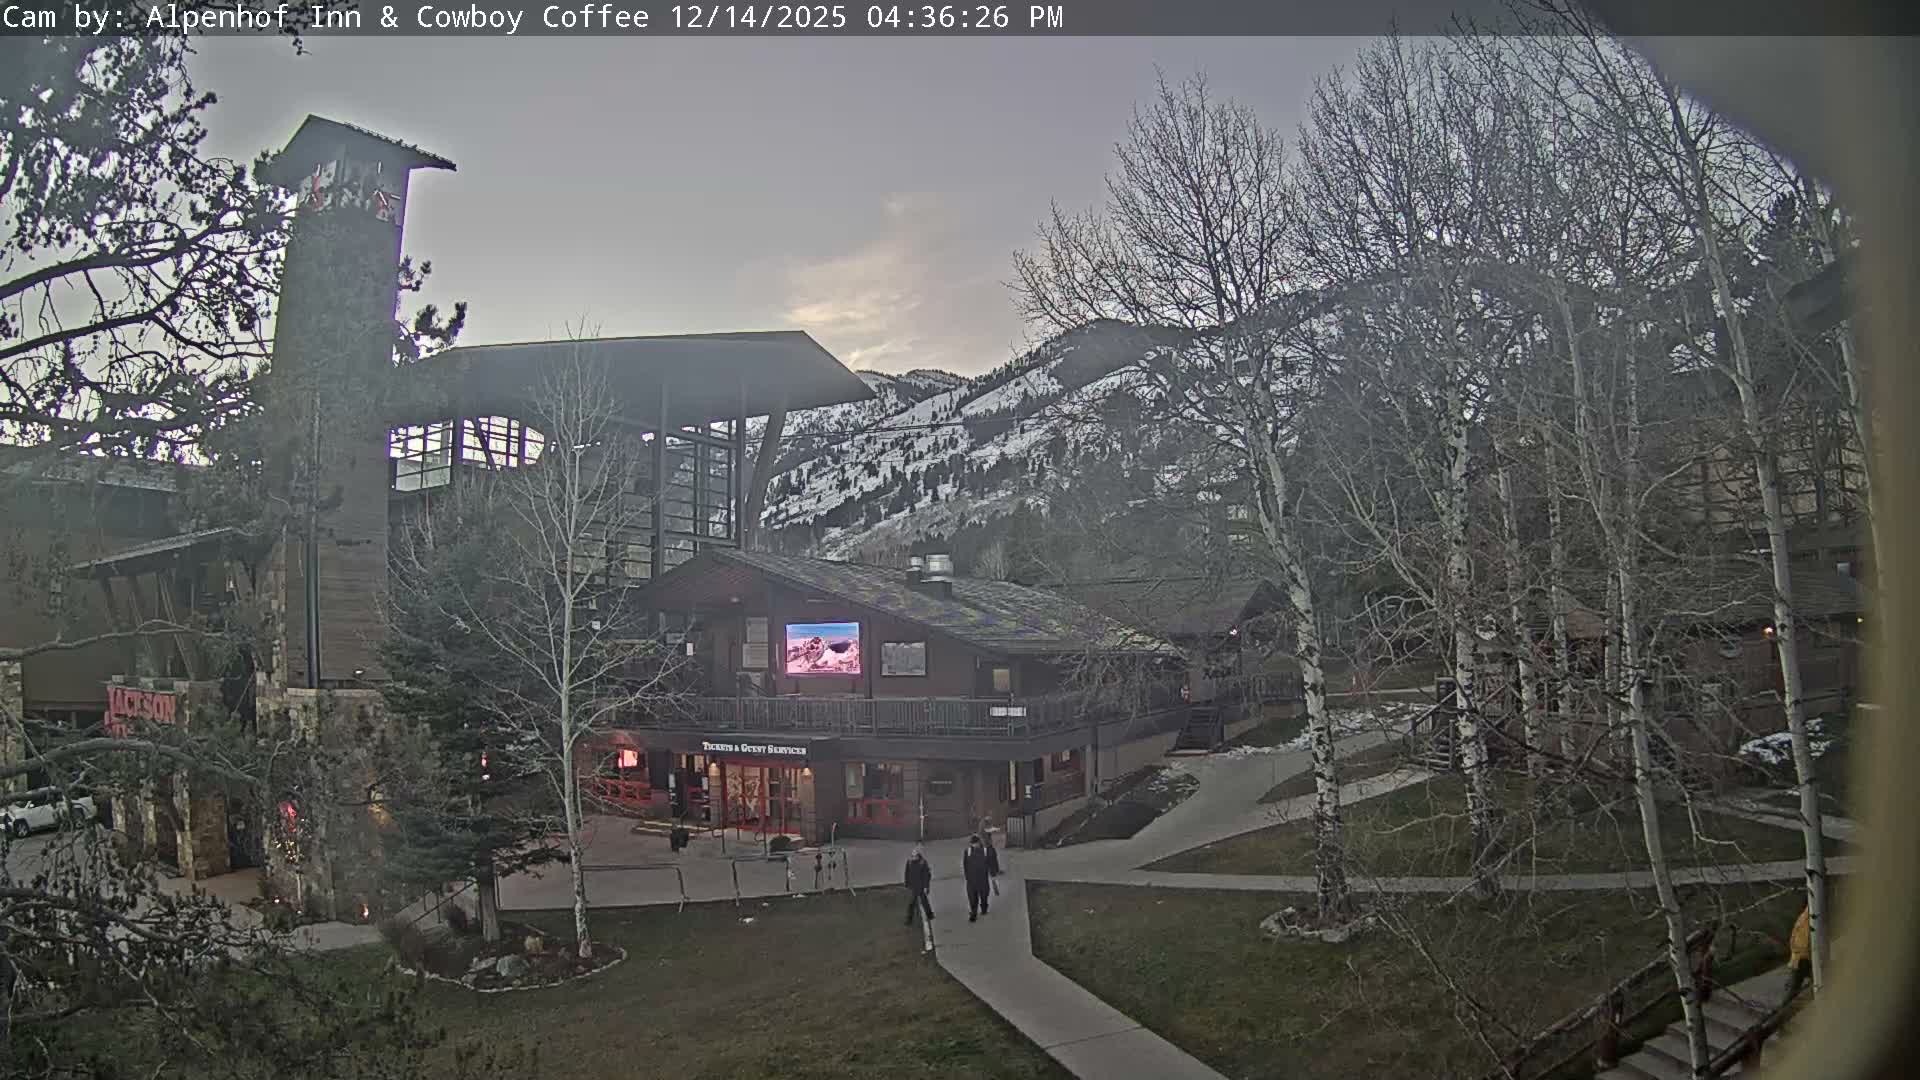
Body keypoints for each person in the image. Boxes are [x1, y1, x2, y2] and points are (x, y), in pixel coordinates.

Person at [963, 834, 992, 921]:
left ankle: (984, 908)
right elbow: (965, 864)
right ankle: (973, 913)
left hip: (982, 878)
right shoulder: (967, 851)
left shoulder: (985, 850)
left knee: (984, 896)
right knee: (972, 897)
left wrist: (992, 874)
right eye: (972, 844)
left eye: (975, 843)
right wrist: (967, 876)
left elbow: (990, 863)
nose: (974, 845)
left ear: (979, 843)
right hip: (971, 880)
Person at [903, 845, 934, 928]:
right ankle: (909, 919)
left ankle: (930, 914)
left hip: (921, 887)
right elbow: (907, 873)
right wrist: (907, 883)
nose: (913, 858)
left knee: (924, 902)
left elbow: (927, 875)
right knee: (911, 903)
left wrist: (926, 887)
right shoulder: (909, 862)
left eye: (914, 856)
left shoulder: (923, 863)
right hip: (914, 887)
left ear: (918, 856)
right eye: (912, 856)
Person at [982, 823, 1002, 896]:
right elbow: (989, 829)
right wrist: (997, 829)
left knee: (993, 860)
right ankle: (993, 880)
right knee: (990, 863)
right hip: (986, 848)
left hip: (988, 848)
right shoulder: (983, 828)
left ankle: (994, 875)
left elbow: (990, 829)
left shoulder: (985, 828)